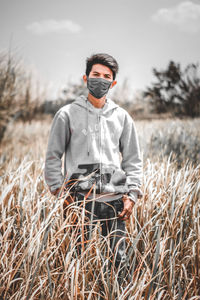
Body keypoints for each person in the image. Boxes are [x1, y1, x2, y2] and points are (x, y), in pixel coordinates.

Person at [44, 53, 143, 274]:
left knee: (119, 263)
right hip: (78, 202)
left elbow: (133, 160)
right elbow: (52, 157)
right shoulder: (66, 114)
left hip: (115, 201)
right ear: (86, 78)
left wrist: (132, 195)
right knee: (76, 264)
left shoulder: (122, 117)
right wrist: (62, 194)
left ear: (113, 82)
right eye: (95, 74)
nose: (100, 80)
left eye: (106, 76)